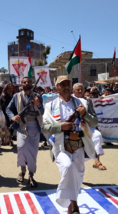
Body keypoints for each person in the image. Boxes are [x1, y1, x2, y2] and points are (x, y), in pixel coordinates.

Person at [42, 76, 97, 214]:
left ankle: (70, 208)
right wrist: (61, 127)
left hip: (79, 145)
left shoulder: (82, 102)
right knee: (67, 167)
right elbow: (45, 128)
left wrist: (85, 114)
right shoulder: (50, 106)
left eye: (68, 84)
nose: (66, 86)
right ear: (57, 88)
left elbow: (95, 122)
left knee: (77, 176)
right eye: (63, 84)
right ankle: (74, 205)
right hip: (61, 146)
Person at [6, 77, 44, 187]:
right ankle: (22, 171)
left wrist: (39, 105)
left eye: (28, 82)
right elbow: (8, 109)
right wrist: (13, 117)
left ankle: (31, 175)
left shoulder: (38, 97)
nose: (27, 83)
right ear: (21, 84)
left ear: (32, 84)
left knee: (33, 152)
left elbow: (42, 112)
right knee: (21, 148)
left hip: (34, 127)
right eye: (24, 82)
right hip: (21, 126)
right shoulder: (16, 96)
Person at [72, 83, 106, 170]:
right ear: (73, 91)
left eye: (81, 89)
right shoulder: (69, 100)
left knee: (97, 135)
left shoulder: (87, 101)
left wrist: (85, 114)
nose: (80, 91)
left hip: (85, 126)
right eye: (78, 90)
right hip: (73, 127)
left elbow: (94, 120)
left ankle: (96, 160)